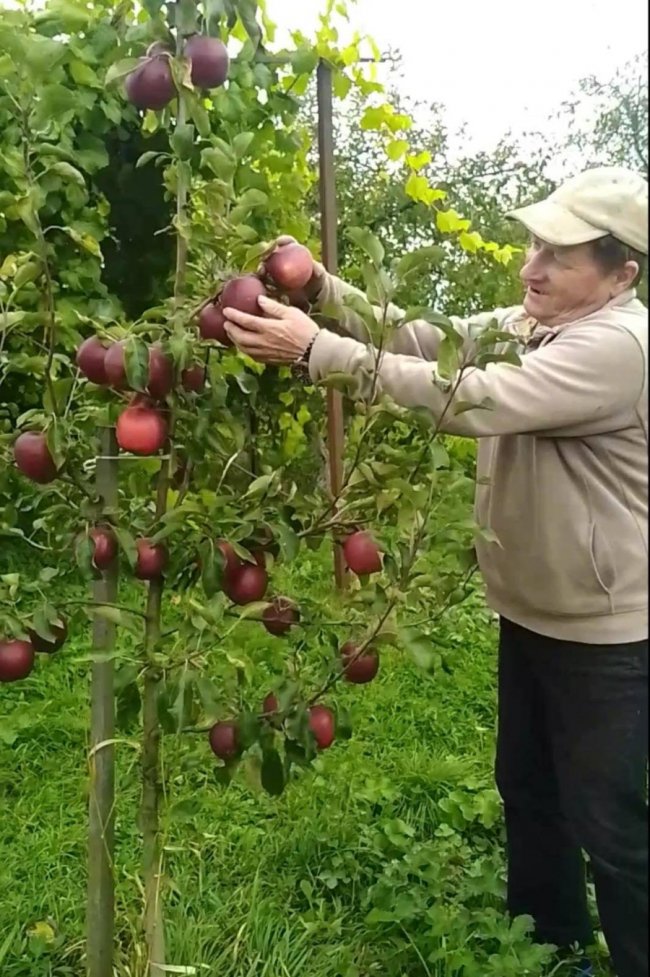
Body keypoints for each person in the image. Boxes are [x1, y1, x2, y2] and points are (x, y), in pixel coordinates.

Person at [222, 166, 648, 977]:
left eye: (559, 256)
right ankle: (554, 951)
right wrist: (322, 289)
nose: (531, 268)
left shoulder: (618, 347)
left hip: (606, 629)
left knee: (611, 824)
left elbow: (467, 395)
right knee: (528, 790)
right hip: (532, 606)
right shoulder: (537, 320)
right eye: (533, 245)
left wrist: (316, 351)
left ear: (621, 272)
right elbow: (427, 335)